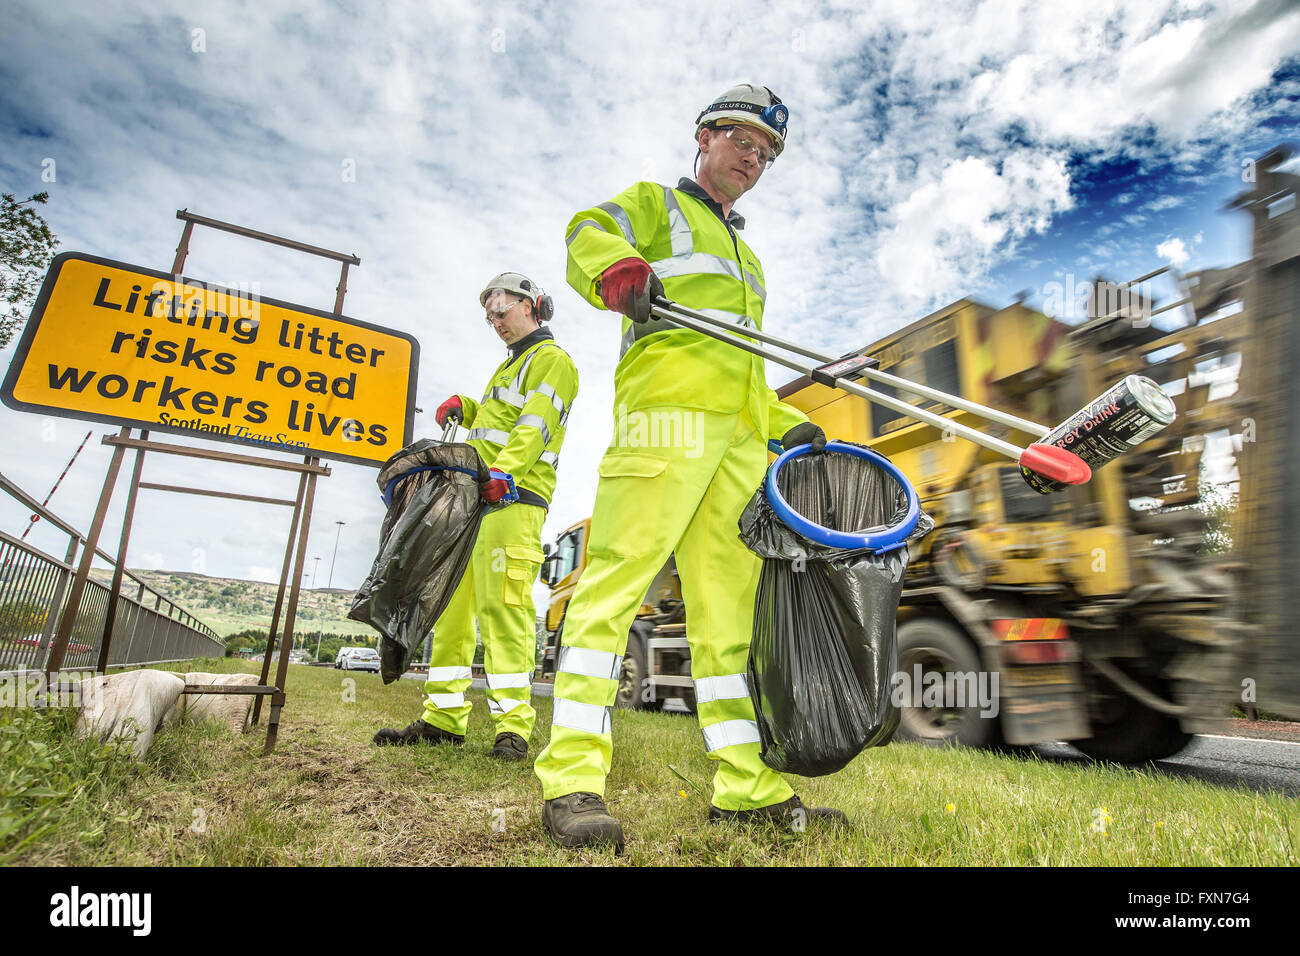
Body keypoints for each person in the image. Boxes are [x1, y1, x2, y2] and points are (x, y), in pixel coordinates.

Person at [534, 85, 844, 850]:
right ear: (704, 136)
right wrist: (618, 269)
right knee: (610, 591)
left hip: (738, 440)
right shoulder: (652, 205)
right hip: (662, 422)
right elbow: (586, 231)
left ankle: (746, 788)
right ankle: (572, 782)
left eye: (767, 153)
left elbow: (742, 364)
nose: (755, 159)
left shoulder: (751, 260)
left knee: (728, 624)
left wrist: (784, 424)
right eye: (743, 141)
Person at [374, 273, 578, 762]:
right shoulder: (509, 369)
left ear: (532, 305)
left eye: (501, 311)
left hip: (513, 499)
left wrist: (505, 473)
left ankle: (514, 729)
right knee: (451, 611)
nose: (495, 322)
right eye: (488, 317)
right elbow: (497, 421)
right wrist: (464, 406)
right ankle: (443, 719)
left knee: (503, 613)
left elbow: (533, 427)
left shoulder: (552, 362)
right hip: (476, 500)